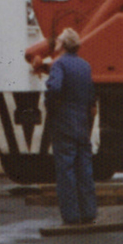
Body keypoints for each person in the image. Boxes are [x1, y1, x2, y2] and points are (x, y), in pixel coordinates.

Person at [35, 28, 99, 225]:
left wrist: (49, 105)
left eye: (59, 40)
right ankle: (89, 212)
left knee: (66, 169)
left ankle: (71, 216)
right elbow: (90, 96)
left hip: (64, 122)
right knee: (84, 168)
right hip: (82, 122)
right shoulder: (85, 66)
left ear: (62, 44)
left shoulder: (59, 64)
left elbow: (54, 88)